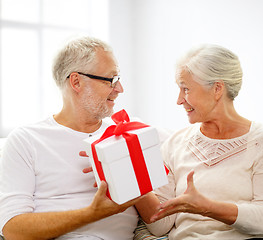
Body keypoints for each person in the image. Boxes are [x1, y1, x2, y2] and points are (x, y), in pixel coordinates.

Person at [0, 36, 155, 240]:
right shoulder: (26, 140)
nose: (120, 89)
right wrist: (92, 213)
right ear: (76, 82)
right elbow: (12, 229)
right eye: (111, 80)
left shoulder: (124, 133)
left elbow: (155, 216)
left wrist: (129, 172)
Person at [142, 44, 263, 239]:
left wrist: (207, 208)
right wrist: (129, 183)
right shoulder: (175, 144)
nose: (178, 100)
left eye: (185, 89)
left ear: (217, 89)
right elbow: (159, 225)